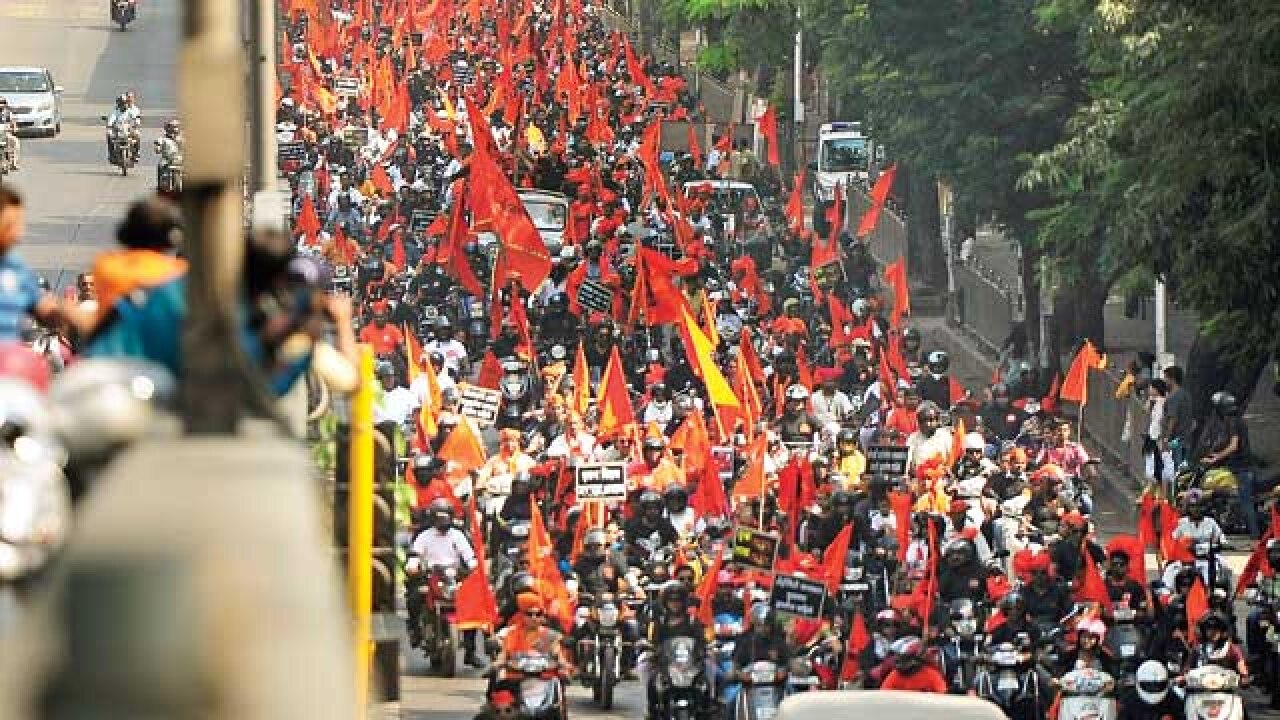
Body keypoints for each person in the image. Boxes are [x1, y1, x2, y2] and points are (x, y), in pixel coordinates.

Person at [407, 498, 485, 667]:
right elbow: (414, 555)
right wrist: (413, 566)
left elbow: (469, 556)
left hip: (453, 579)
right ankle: (415, 631)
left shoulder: (458, 535)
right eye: (440, 518)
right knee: (414, 598)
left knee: (471, 609)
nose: (443, 521)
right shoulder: (424, 536)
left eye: (446, 517)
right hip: (430, 578)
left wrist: (474, 567)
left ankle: (470, 652)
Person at [0, 185, 73, 341]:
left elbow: (46, 309)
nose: (20, 234)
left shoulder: (14, 267)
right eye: (12, 225)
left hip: (11, 359)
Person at [1199, 391, 1258, 538]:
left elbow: (1233, 446)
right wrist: (1214, 454)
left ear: (1220, 408)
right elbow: (1225, 444)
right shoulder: (1235, 420)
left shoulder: (1233, 421)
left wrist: (1215, 458)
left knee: (1246, 503)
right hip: (1237, 467)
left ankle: (1255, 537)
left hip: (1242, 469)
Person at [880, 637, 947, 692]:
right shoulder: (895, 674)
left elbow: (942, 696)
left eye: (904, 658)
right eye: (897, 658)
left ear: (916, 660)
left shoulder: (931, 675)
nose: (899, 663)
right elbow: (883, 695)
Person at [1161, 365, 1194, 468]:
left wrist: (1167, 439)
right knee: (1183, 469)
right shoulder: (1186, 395)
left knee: (1174, 467)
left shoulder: (1173, 397)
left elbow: (1173, 419)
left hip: (1176, 440)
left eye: (1166, 377)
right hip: (1186, 439)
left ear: (1172, 379)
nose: (1164, 380)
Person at [106, 93, 141, 162]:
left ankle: (136, 154)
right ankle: (112, 154)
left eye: (125, 103)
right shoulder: (116, 111)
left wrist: (136, 122)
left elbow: (135, 117)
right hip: (118, 130)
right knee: (109, 135)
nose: (123, 105)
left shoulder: (130, 110)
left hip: (129, 130)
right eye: (122, 103)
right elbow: (111, 119)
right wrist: (109, 125)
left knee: (137, 135)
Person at [0, 98, 18, 171]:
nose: (1, 104)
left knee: (15, 142)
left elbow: (13, 122)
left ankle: (14, 163)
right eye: (0, 102)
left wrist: (14, 128)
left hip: (6, 133)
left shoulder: (8, 113)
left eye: (3, 102)